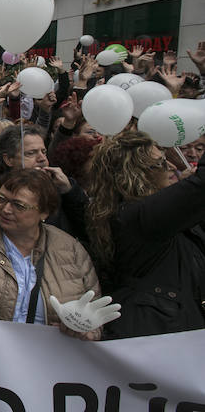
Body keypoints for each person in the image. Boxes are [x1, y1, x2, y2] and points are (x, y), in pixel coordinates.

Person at [0, 169, 103, 340]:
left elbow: (94, 307)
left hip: (50, 351)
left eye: (18, 205)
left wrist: (86, 329)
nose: (6, 209)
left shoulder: (70, 250)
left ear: (44, 212)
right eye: (1, 199)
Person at [86, 131, 205, 339]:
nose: (172, 167)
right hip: (157, 333)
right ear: (135, 173)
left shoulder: (137, 213)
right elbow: (200, 186)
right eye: (160, 163)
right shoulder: (141, 216)